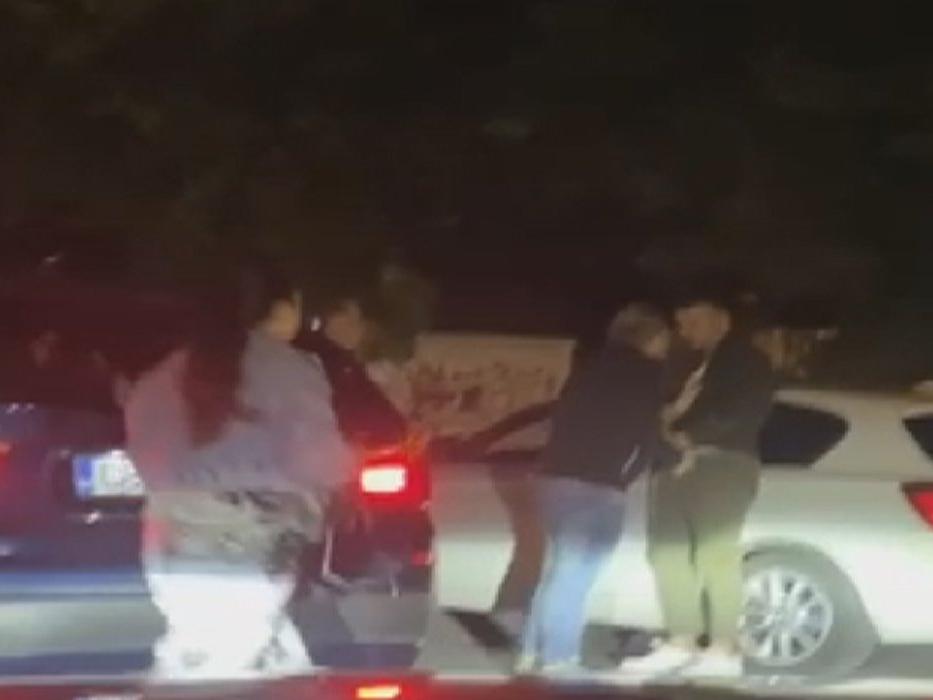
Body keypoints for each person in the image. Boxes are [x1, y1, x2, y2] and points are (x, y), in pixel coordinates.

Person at [125, 267, 354, 681]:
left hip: (173, 553)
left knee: (198, 657)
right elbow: (319, 461)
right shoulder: (291, 370)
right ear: (279, 310)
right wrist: (345, 486)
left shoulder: (157, 378)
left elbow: (148, 462)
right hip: (258, 546)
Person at [517, 304, 673, 676]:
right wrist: (649, 466)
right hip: (599, 483)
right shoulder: (647, 375)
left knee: (560, 569)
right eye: (665, 338)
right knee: (576, 574)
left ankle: (531, 651)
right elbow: (648, 432)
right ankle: (558, 657)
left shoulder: (586, 368)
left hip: (555, 479)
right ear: (650, 338)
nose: (669, 346)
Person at [627, 292, 776, 679]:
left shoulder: (746, 360)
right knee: (667, 552)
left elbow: (743, 410)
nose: (685, 330)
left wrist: (687, 436)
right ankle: (681, 641)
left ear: (721, 320)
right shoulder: (686, 364)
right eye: (681, 323)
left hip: (720, 462)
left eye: (694, 320)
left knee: (715, 553)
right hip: (674, 464)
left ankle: (724, 647)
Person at [295, 294, 408, 449]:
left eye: (357, 321)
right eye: (348, 321)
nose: (355, 328)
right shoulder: (327, 363)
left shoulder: (357, 366)